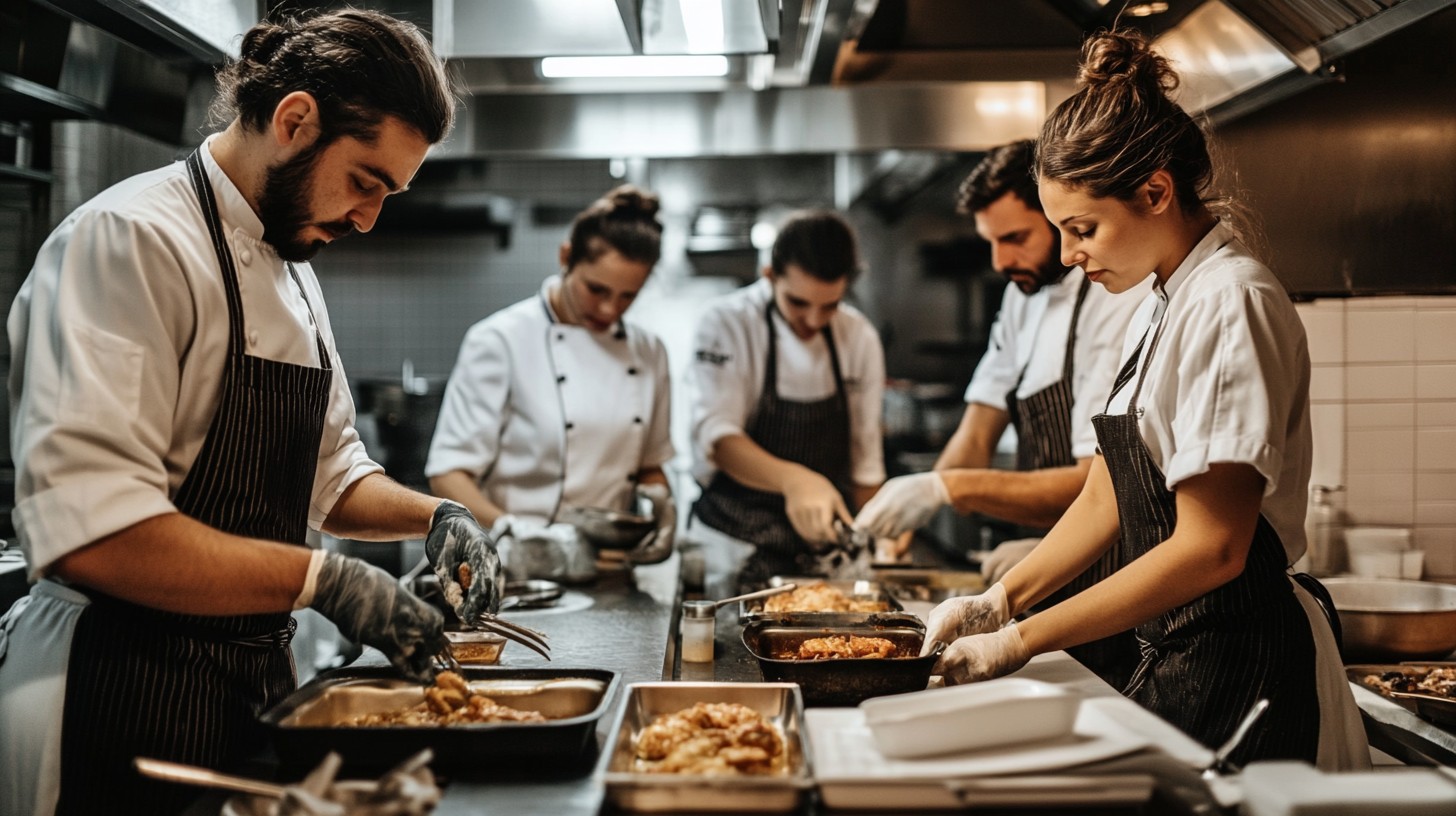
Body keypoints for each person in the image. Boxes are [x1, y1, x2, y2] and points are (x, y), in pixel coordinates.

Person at [0, 11, 504, 815]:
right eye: (365, 181)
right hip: (113, 689)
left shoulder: (294, 269)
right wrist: (325, 577)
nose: (368, 218)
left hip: (251, 686)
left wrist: (437, 515)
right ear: (295, 121)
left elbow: (332, 477)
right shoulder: (130, 241)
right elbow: (94, 532)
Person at [920, 29, 1368, 771]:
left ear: (1156, 192)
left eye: (1082, 229)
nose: (1069, 255)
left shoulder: (1230, 302)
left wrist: (1021, 640)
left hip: (1245, 665)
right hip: (1181, 656)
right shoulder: (1162, 302)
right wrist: (1000, 600)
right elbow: (1106, 497)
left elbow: (1212, 547)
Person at [854, 140, 1149, 691]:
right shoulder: (1020, 296)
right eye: (990, 242)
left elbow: (1096, 483)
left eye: (1015, 239)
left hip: (1110, 584)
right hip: (1051, 575)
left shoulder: (1113, 299)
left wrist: (945, 489)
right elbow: (978, 426)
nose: (999, 261)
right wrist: (911, 517)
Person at [426, 186, 677, 572]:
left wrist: (663, 504)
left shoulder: (649, 351)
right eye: (596, 289)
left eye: (628, 296)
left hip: (606, 568)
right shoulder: (500, 340)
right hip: (511, 568)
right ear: (565, 257)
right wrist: (514, 532)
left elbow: (648, 463)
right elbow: (449, 474)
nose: (609, 309)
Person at [688, 210, 886, 590]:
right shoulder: (727, 323)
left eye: (829, 306)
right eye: (798, 303)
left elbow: (866, 460)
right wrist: (794, 480)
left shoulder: (859, 336)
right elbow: (718, 439)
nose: (813, 321)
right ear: (770, 275)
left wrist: (879, 533)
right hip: (735, 544)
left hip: (823, 556)